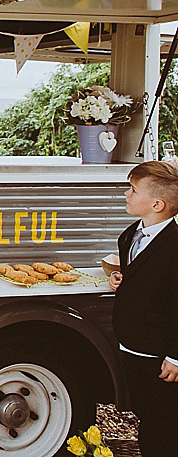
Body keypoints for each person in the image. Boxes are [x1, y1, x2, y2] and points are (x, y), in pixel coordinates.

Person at [108, 161, 178, 457]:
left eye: (133, 190)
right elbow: (141, 276)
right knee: (144, 415)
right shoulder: (130, 235)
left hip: (161, 356)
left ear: (157, 204)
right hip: (132, 345)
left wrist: (176, 355)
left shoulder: (174, 246)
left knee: (163, 424)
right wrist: (121, 279)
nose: (126, 194)